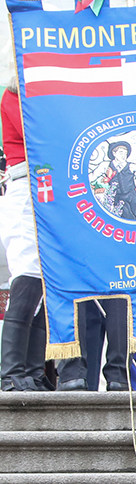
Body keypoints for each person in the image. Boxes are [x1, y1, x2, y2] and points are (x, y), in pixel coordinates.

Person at [1, 76, 49, 391]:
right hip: (24, 187)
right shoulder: (13, 94)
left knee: (43, 284)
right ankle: (10, 371)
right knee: (28, 277)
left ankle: (33, 371)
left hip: (45, 186)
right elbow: (38, 134)